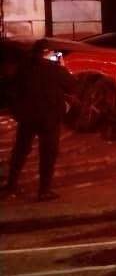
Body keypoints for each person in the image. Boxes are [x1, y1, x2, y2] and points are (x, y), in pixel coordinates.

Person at [2, 39, 78, 202]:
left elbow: (13, 90)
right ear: (47, 53)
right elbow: (72, 85)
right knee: (48, 153)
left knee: (21, 150)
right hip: (49, 118)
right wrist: (63, 66)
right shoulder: (55, 70)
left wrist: (18, 112)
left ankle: (11, 184)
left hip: (28, 117)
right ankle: (44, 189)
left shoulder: (24, 69)